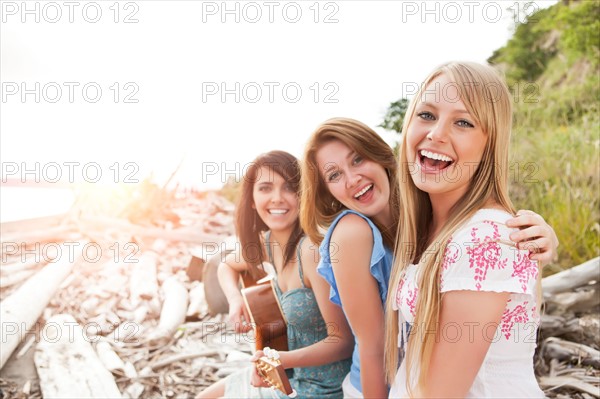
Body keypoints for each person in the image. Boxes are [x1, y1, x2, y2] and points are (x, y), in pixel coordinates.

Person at [300, 118, 558, 398]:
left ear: (381, 156)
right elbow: (372, 346)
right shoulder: (351, 234)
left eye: (358, 159)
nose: (352, 179)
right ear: (328, 191)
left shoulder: (425, 210)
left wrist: (539, 233)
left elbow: (475, 233)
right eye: (334, 176)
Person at [385, 61, 546, 397]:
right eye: (426, 115)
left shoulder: (484, 238)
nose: (436, 133)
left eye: (463, 122)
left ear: (490, 145)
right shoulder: (433, 226)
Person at [197, 150, 353, 399]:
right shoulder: (267, 244)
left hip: (324, 390)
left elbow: (344, 341)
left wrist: (281, 359)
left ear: (304, 195)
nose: (277, 198)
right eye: (266, 188)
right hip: (289, 381)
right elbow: (226, 265)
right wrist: (236, 299)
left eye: (290, 188)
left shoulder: (311, 251)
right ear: (251, 199)